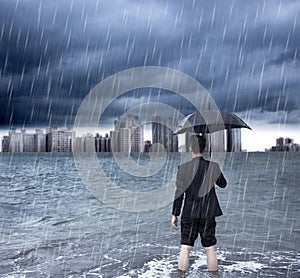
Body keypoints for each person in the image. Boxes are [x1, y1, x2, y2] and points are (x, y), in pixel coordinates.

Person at [171, 135, 227, 275]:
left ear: (190, 148)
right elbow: (223, 184)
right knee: (209, 248)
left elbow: (179, 193)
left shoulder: (183, 169)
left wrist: (174, 214)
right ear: (205, 148)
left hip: (189, 213)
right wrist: (216, 169)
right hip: (208, 213)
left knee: (185, 248)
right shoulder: (212, 166)